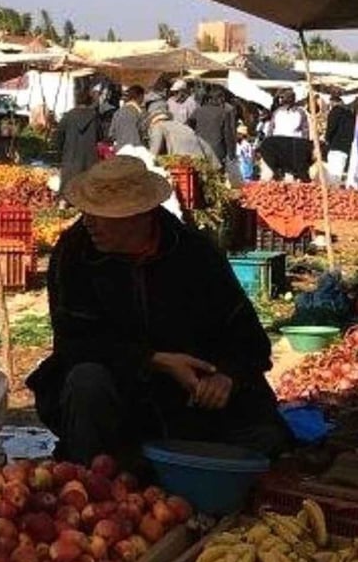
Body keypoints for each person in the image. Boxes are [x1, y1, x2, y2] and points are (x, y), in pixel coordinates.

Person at [29, 157, 286, 466]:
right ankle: (94, 478)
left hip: (189, 402)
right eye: (87, 212)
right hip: (120, 391)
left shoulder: (194, 253)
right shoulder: (75, 252)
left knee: (265, 438)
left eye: (102, 214)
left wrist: (227, 376)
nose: (88, 223)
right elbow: (74, 344)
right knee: (86, 381)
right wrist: (154, 361)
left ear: (140, 216)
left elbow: (249, 339)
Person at [54, 80, 104, 195]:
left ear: (75, 100)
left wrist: (58, 157)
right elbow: (100, 137)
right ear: (89, 101)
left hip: (70, 162)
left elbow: (57, 139)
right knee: (87, 196)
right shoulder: (95, 117)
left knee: (67, 195)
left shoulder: (68, 117)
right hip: (89, 162)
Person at [191, 87, 240, 188]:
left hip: (200, 148)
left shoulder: (198, 111)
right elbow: (228, 134)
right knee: (217, 179)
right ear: (220, 98)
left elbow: (188, 124)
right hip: (217, 150)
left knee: (201, 176)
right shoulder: (223, 113)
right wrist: (231, 153)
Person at [147, 104, 214, 159]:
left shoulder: (158, 126)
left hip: (182, 164)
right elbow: (204, 144)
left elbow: (154, 150)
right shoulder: (181, 126)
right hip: (200, 160)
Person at [108, 85, 147, 150]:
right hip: (136, 148)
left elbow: (111, 134)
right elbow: (144, 132)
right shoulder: (139, 112)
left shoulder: (117, 112)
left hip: (120, 149)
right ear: (140, 96)